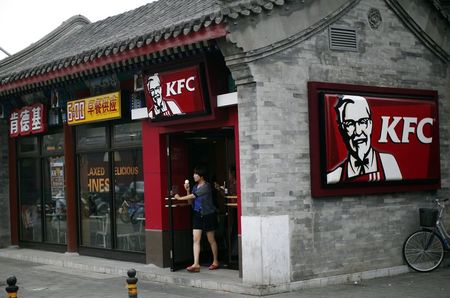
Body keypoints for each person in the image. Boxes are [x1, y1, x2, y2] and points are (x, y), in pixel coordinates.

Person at [327, 95, 402, 184]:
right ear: (342, 129)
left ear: (370, 125)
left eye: (363, 122)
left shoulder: (388, 163)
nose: (358, 132)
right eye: (350, 123)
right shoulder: (334, 176)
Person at [174, 166, 219, 272]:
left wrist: (179, 198)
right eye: (194, 174)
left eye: (196, 174)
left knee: (211, 239)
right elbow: (190, 202)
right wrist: (187, 190)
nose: (194, 176)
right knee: (196, 239)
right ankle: (196, 264)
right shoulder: (194, 187)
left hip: (208, 215)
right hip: (197, 215)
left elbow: (193, 196)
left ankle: (215, 261)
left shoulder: (206, 186)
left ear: (201, 176)